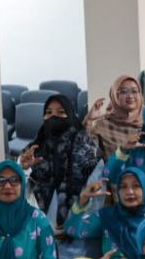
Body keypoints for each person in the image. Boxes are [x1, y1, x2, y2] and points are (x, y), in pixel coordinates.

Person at [24, 93, 101, 246]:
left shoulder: (86, 147)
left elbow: (96, 190)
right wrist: (23, 168)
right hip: (41, 233)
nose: (54, 117)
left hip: (78, 235)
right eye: (48, 113)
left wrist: (74, 222)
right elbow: (22, 191)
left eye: (61, 112)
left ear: (71, 115)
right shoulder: (35, 149)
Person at [62, 166, 145, 259]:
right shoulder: (108, 216)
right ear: (118, 192)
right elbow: (72, 229)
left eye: (136, 186)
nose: (130, 192)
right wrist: (83, 199)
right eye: (123, 187)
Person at [85, 74, 144, 161]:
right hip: (113, 173)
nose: (130, 96)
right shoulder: (102, 125)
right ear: (114, 95)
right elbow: (85, 153)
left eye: (134, 91)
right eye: (123, 92)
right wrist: (89, 120)